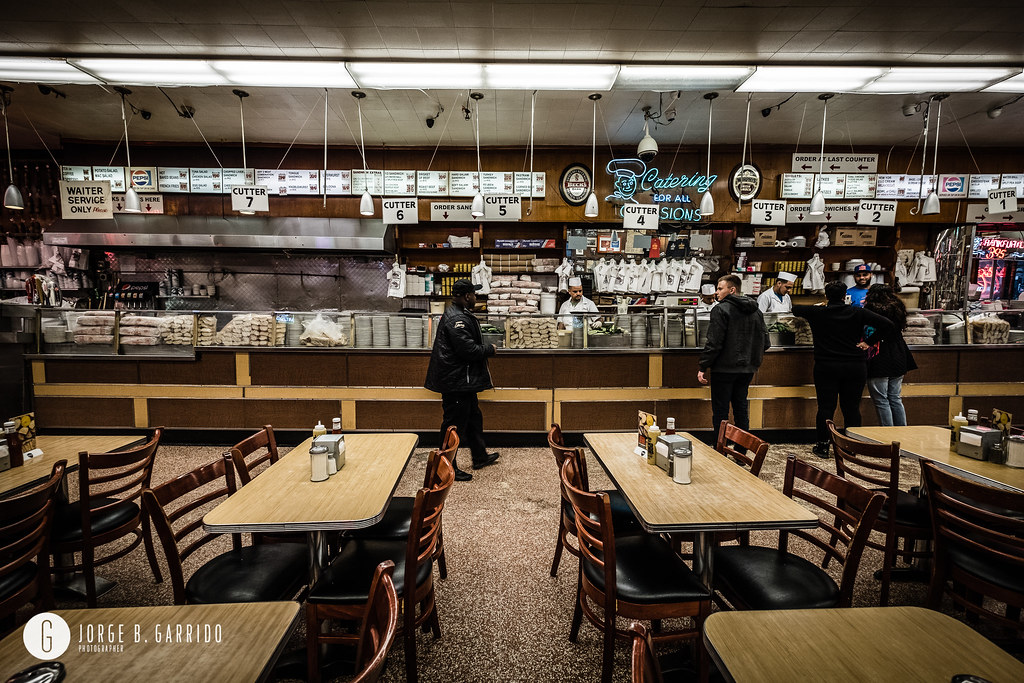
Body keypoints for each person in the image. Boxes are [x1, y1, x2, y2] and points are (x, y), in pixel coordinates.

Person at [793, 280, 894, 457]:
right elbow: (888, 325)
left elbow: (794, 308)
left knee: (825, 407)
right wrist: (867, 342)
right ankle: (851, 447)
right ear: (844, 296)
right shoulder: (857, 312)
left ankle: (823, 446)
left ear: (826, 295)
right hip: (855, 366)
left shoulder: (817, 312)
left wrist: (820, 306)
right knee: (851, 408)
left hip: (826, 366)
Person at [424, 278, 499, 481]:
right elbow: (468, 350)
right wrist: (489, 350)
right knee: (452, 425)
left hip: (461, 379)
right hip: (456, 381)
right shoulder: (456, 319)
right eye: (474, 294)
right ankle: (446, 467)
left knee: (474, 417)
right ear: (467, 296)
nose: (476, 297)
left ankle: (480, 456)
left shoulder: (459, 313)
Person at [697, 274, 770, 433]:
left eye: (720, 288)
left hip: (724, 369)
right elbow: (766, 342)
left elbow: (714, 342)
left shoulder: (720, 309)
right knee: (741, 408)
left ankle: (720, 449)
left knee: (721, 411)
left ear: (732, 290)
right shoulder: (756, 310)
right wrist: (751, 358)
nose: (716, 292)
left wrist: (703, 366)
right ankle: (741, 450)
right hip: (747, 370)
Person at [863, 284, 917, 426]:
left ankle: (887, 434)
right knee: (895, 398)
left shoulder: (872, 308)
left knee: (881, 400)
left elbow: (880, 330)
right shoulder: (897, 306)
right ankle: (901, 432)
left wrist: (868, 342)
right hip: (899, 354)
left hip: (880, 357)